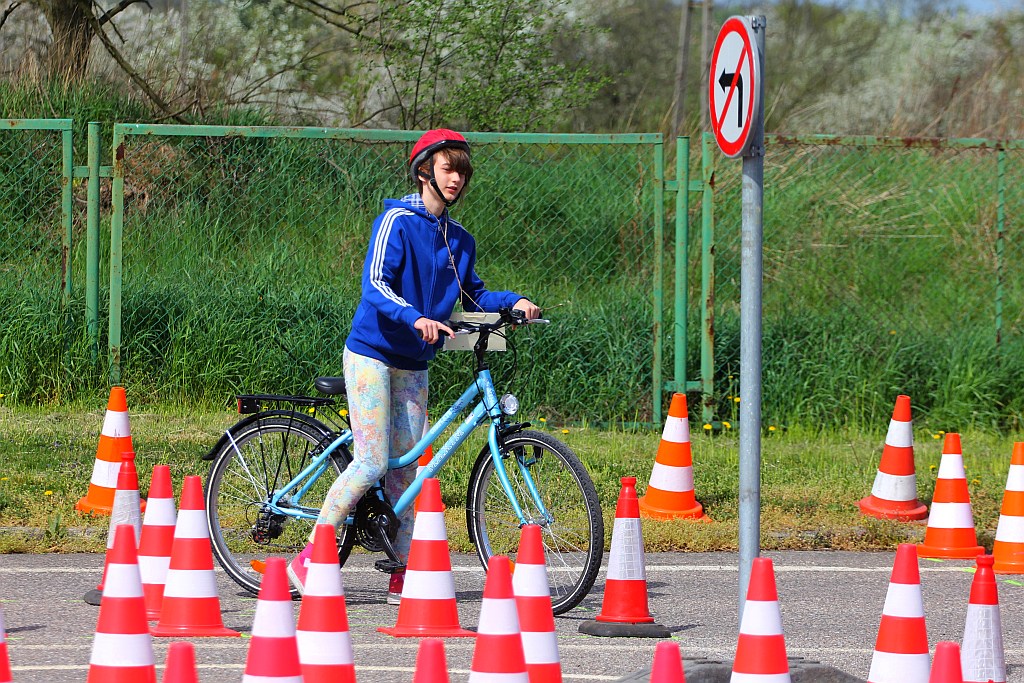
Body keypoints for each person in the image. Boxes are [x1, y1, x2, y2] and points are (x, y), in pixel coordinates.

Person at [287, 129, 540, 602]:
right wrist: (416, 316)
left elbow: (475, 296)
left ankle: (401, 570)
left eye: (462, 171)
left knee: (406, 469)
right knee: (370, 461)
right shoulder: (396, 222)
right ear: (424, 169)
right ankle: (311, 555)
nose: (457, 178)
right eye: (448, 168)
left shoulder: (460, 239)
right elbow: (375, 285)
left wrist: (516, 302)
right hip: (372, 354)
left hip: (415, 362)